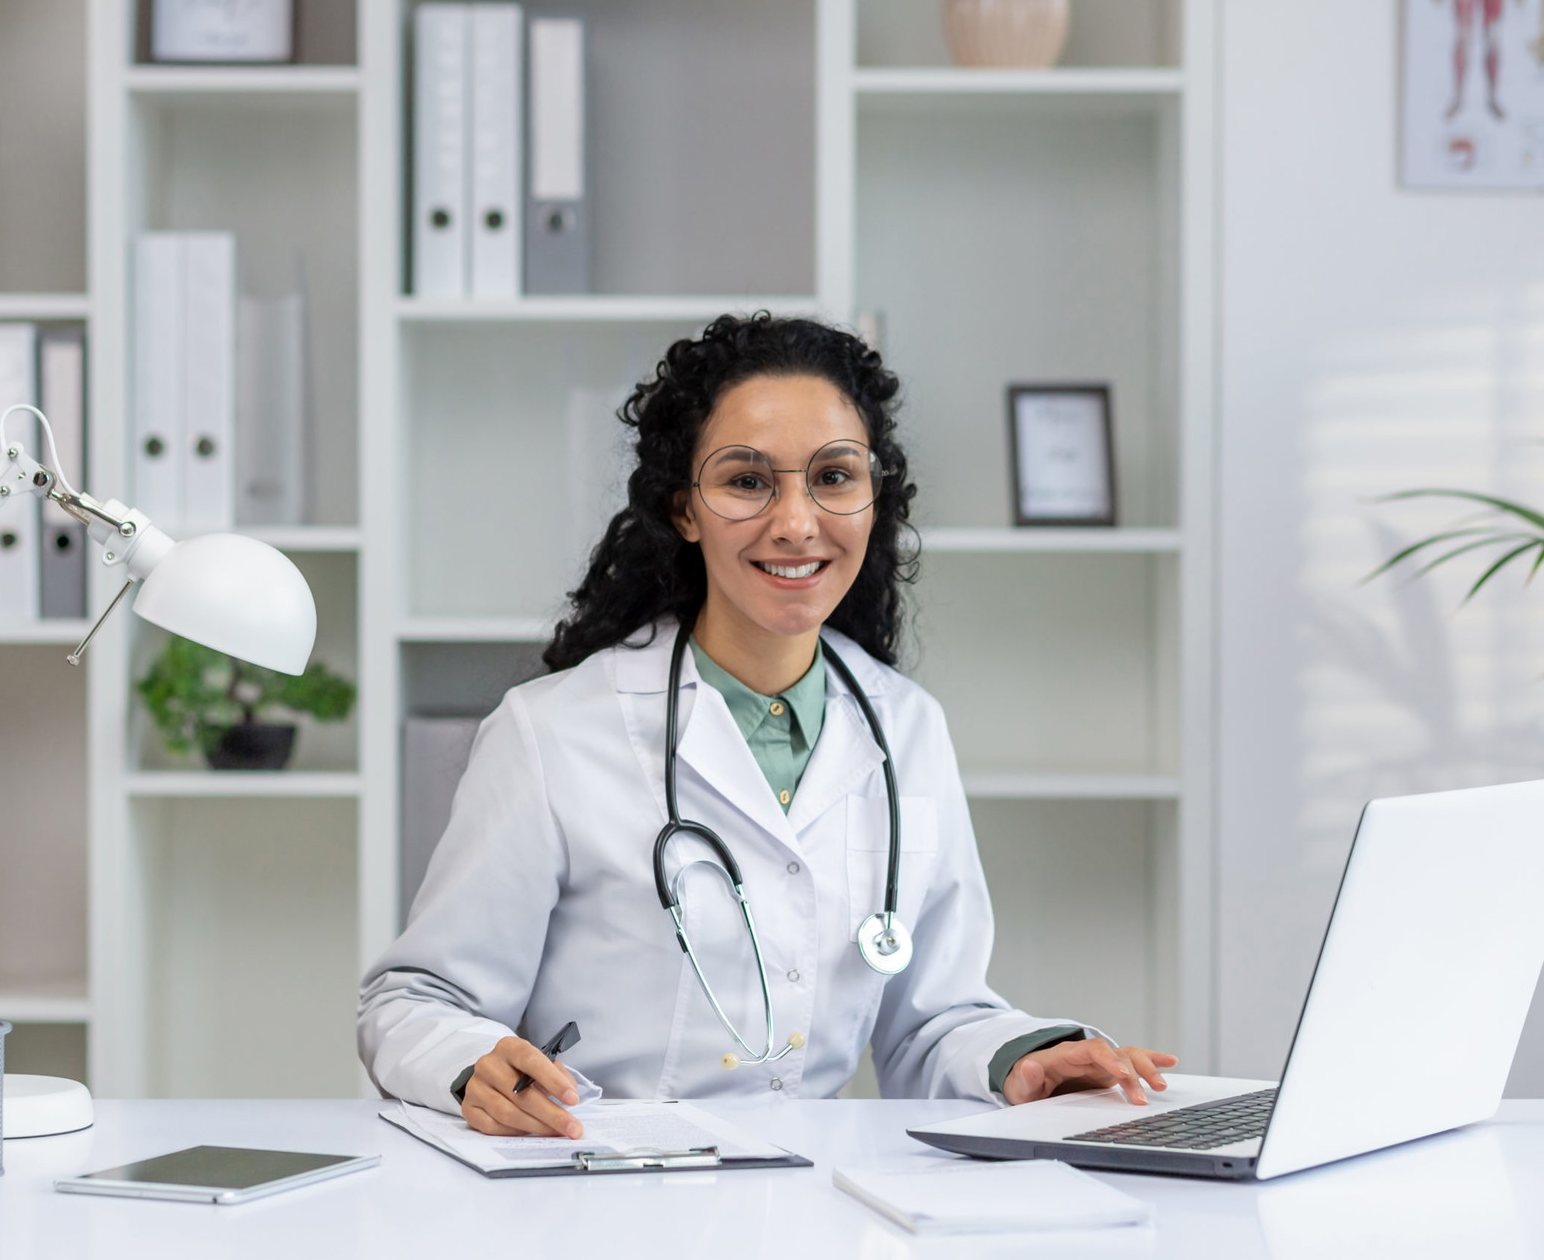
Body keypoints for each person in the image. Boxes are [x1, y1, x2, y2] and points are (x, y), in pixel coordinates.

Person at [357, 314, 1176, 1139]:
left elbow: (931, 1023)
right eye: (748, 481)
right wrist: (471, 1066)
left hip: (815, 1196)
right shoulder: (553, 733)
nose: (795, 521)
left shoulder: (908, 731)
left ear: (873, 497)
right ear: (684, 507)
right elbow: (414, 1002)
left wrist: (1020, 1057)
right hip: (596, 1186)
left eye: (834, 477)